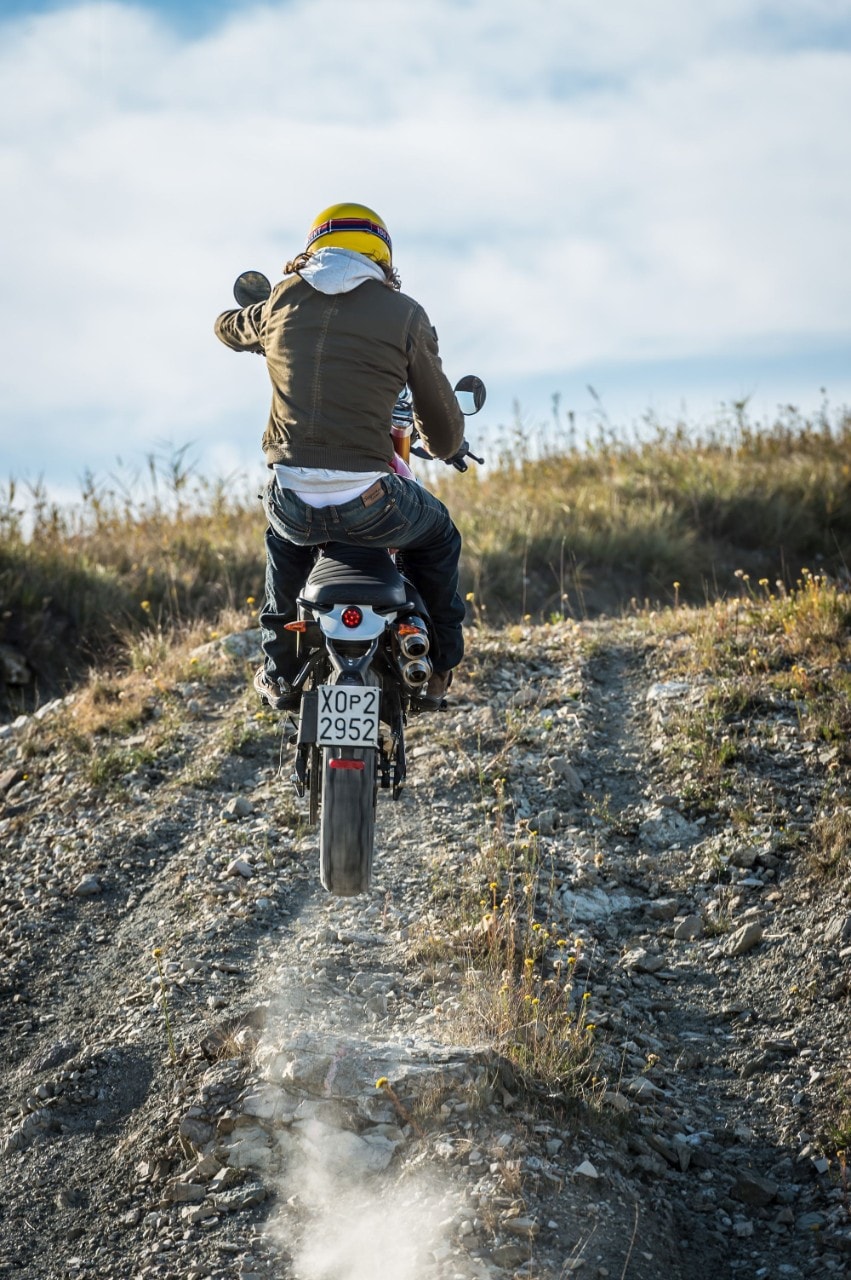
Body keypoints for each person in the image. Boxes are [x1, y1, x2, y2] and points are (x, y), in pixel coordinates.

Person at [215, 202, 467, 712]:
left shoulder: (280, 301)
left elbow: (226, 327)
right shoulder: (406, 315)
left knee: (283, 542)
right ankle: (439, 667)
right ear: (381, 256)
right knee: (439, 535)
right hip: (372, 502)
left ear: (313, 249)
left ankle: (279, 670)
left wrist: (260, 327)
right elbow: (442, 436)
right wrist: (445, 443)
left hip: (293, 503)